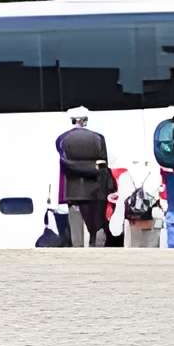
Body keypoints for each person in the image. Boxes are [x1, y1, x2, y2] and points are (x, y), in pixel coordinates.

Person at [55, 105, 115, 247]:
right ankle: (97, 249)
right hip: (96, 190)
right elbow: (103, 164)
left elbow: (64, 162)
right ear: (85, 121)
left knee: (76, 231)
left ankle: (78, 253)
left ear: (72, 121)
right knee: (97, 226)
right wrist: (93, 168)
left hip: (73, 191)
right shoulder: (98, 138)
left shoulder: (62, 139)